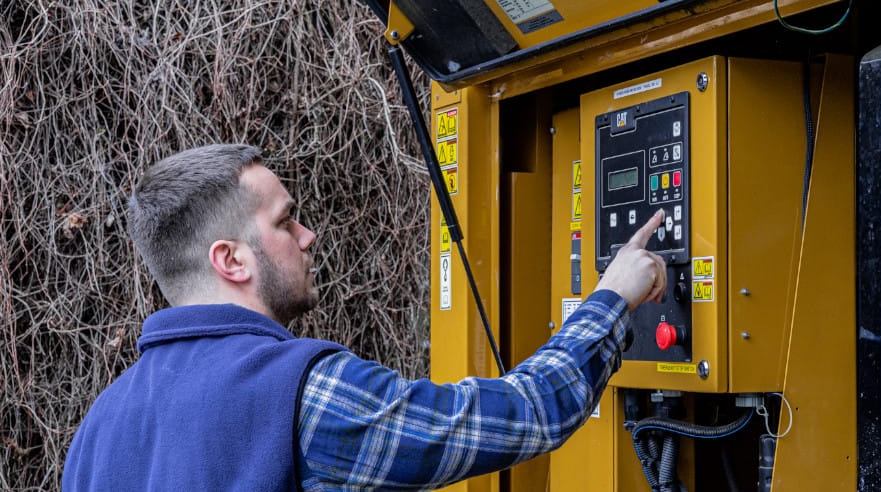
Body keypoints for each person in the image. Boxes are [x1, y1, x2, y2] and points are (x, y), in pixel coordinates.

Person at [62, 144, 667, 491]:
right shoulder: (299, 393)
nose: (309, 235)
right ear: (231, 260)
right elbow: (524, 414)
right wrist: (612, 298)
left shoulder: (98, 429)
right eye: (284, 221)